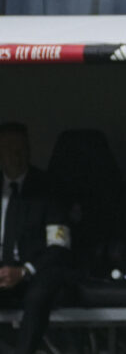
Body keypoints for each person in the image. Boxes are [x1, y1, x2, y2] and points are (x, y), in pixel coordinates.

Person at [0, 123, 72, 354]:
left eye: (23, 148)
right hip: (2, 271)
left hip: (37, 271)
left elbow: (59, 245)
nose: (18, 155)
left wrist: (24, 271)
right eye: (11, 149)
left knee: (38, 296)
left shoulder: (47, 188)